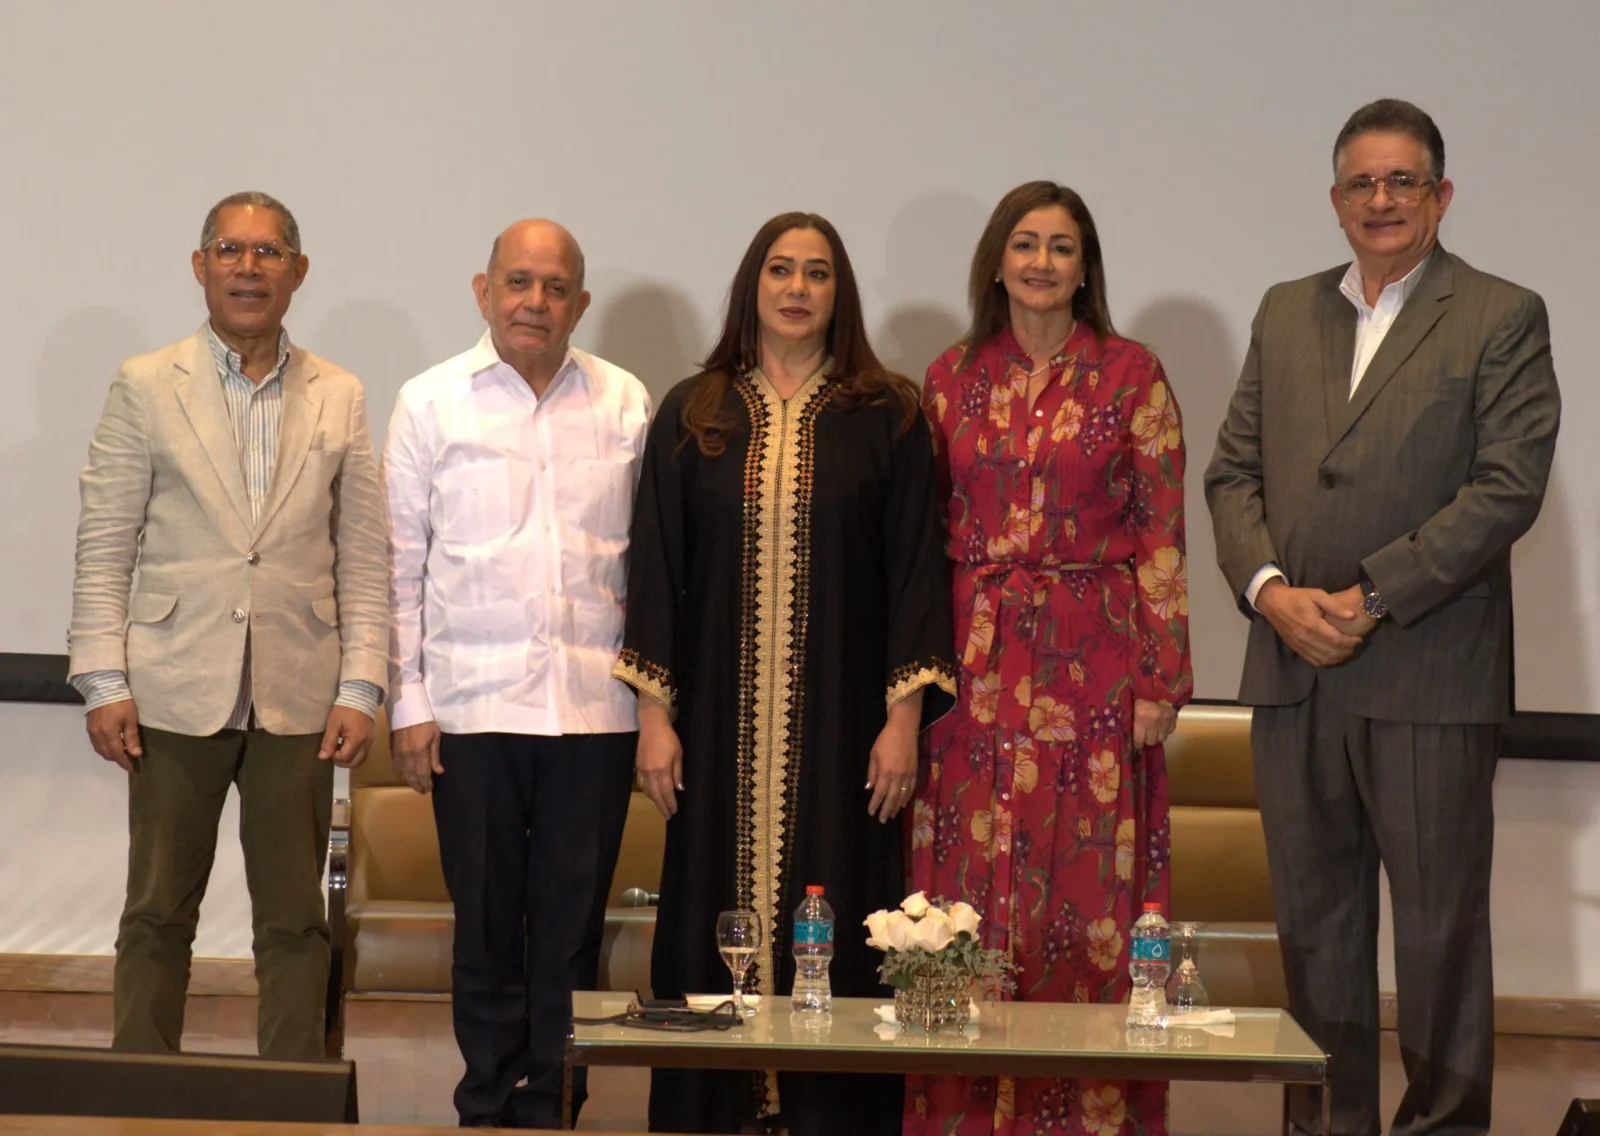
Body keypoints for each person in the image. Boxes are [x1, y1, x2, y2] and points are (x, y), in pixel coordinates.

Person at [1205, 99, 1560, 1136]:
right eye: (1361, 182)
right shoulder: (1283, 309)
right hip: (1290, 669)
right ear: (1334, 200)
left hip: (1424, 669)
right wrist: (1271, 591)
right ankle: (1326, 1123)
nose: (1381, 200)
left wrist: (1369, 595)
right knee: (1315, 934)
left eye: (1403, 181)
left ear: (1442, 197)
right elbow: (1232, 474)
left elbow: (1506, 487)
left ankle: (1444, 1126)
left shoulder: (1500, 313)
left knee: (1440, 931)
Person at [617, 211, 956, 1134]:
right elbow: (655, 571)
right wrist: (655, 716)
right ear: (752, 286)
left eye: (816, 272)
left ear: (838, 292)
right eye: (779, 270)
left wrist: (902, 722)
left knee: (845, 916)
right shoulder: (695, 412)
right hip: (717, 736)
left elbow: (915, 574)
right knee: (706, 919)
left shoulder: (886, 414)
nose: (797, 288)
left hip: (848, 735)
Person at [67, 191, 388, 1059]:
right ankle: (139, 1088)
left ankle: (289, 1098)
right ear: (200, 265)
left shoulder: (341, 393)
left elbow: (363, 554)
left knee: (293, 921)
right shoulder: (145, 383)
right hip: (171, 688)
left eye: (269, 252)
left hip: (299, 694)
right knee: (158, 911)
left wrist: (361, 684)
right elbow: (105, 545)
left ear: (299, 271)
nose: (249, 268)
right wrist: (103, 678)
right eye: (230, 250)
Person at [907, 181, 1192, 1135]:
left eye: (1061, 248)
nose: (1041, 262)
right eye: (1025, 244)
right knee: (967, 895)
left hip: (1096, 666)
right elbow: (918, 538)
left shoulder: (1132, 374)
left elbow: (1161, 532)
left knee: (1086, 895)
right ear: (997, 260)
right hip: (975, 665)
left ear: (1084, 267)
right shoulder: (948, 378)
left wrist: (1161, 679)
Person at [382, 219, 651, 1129]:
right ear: (483, 289)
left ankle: (557, 1102)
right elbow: (396, 567)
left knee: (571, 932)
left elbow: (643, 568)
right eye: (518, 283)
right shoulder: (430, 402)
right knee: (488, 929)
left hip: (596, 715)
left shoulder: (625, 402)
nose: (536, 302)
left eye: (556, 286)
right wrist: (411, 705)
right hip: (472, 710)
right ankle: (486, 1103)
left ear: (581, 298)